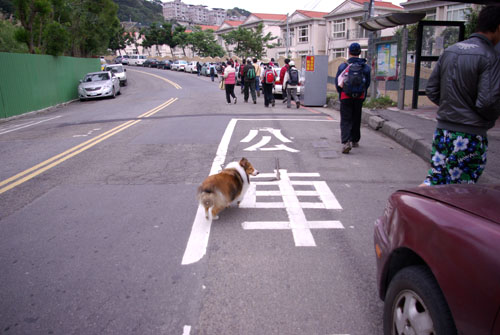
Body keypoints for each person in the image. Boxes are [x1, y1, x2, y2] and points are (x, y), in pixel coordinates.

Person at [422, 5, 500, 186]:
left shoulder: (450, 51)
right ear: (498, 27)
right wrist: (486, 119)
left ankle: (407, 209)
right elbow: (488, 102)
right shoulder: (490, 56)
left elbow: (432, 90)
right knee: (461, 193)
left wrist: (452, 106)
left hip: (443, 133)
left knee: (435, 183)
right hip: (470, 135)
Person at [335, 42, 371, 154]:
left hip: (346, 96)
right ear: (360, 53)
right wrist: (362, 93)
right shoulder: (365, 67)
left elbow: (338, 82)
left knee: (346, 119)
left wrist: (341, 93)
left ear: (349, 52)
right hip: (359, 96)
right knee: (356, 117)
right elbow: (367, 83)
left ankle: (346, 141)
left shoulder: (343, 66)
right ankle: (355, 140)